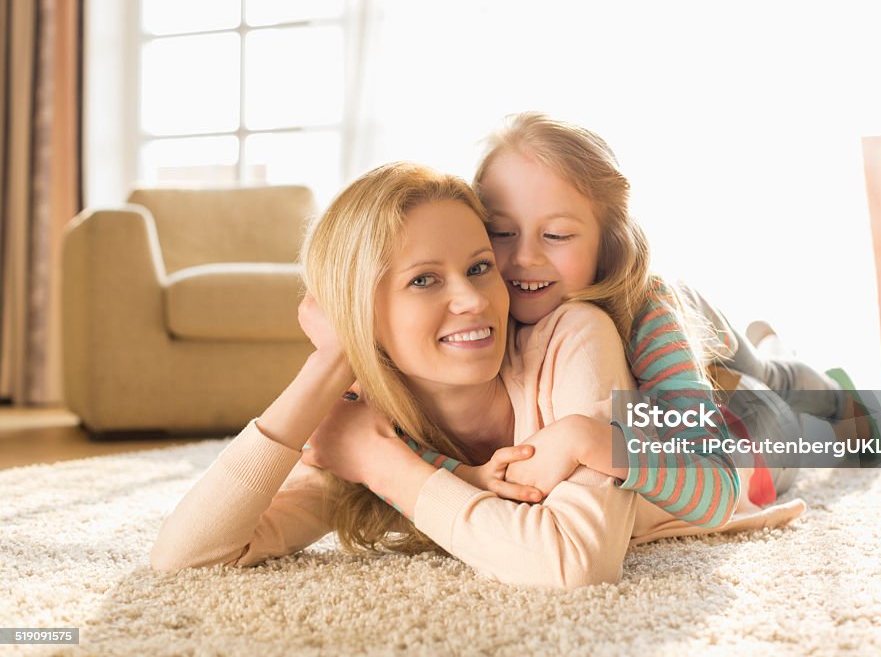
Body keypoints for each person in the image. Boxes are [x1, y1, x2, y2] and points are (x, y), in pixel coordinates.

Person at [150, 162, 805, 589]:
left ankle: (766, 348)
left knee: (807, 410)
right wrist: (325, 370)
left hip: (730, 432)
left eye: (478, 267)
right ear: (359, 317)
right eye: (425, 279)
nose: (473, 300)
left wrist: (386, 468)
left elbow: (573, 562)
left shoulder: (576, 335)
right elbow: (187, 556)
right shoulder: (363, 427)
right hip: (664, 420)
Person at [383, 112, 881, 515]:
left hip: (733, 414)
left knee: (771, 383)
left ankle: (831, 389)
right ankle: (765, 345)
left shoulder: (646, 312)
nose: (522, 258)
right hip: (681, 404)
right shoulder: (470, 313)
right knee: (745, 377)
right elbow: (406, 443)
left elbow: (716, 482)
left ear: (607, 243)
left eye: (556, 235)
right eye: (500, 232)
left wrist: (591, 441)